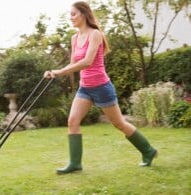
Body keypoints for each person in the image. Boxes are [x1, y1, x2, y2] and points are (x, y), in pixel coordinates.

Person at [43, 1, 157, 175]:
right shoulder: (74, 38)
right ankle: (75, 163)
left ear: (83, 14)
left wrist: (60, 72)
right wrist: (55, 73)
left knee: (118, 123)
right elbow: (74, 64)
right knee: (72, 121)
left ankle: (148, 150)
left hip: (102, 87)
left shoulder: (95, 34)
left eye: (73, 14)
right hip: (85, 88)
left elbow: (87, 61)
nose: (71, 17)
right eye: (70, 14)